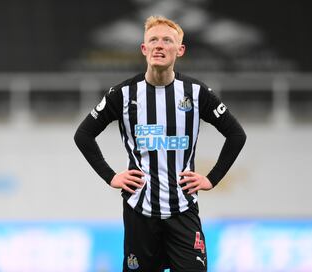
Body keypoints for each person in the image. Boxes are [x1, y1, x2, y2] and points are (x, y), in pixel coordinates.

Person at [74, 15, 246, 272]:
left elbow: (236, 135)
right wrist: (111, 176)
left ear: (180, 50)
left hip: (183, 211)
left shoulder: (196, 93)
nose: (159, 45)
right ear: (144, 49)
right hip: (139, 214)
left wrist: (212, 178)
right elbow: (83, 135)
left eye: (168, 40)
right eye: (153, 40)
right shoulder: (123, 94)